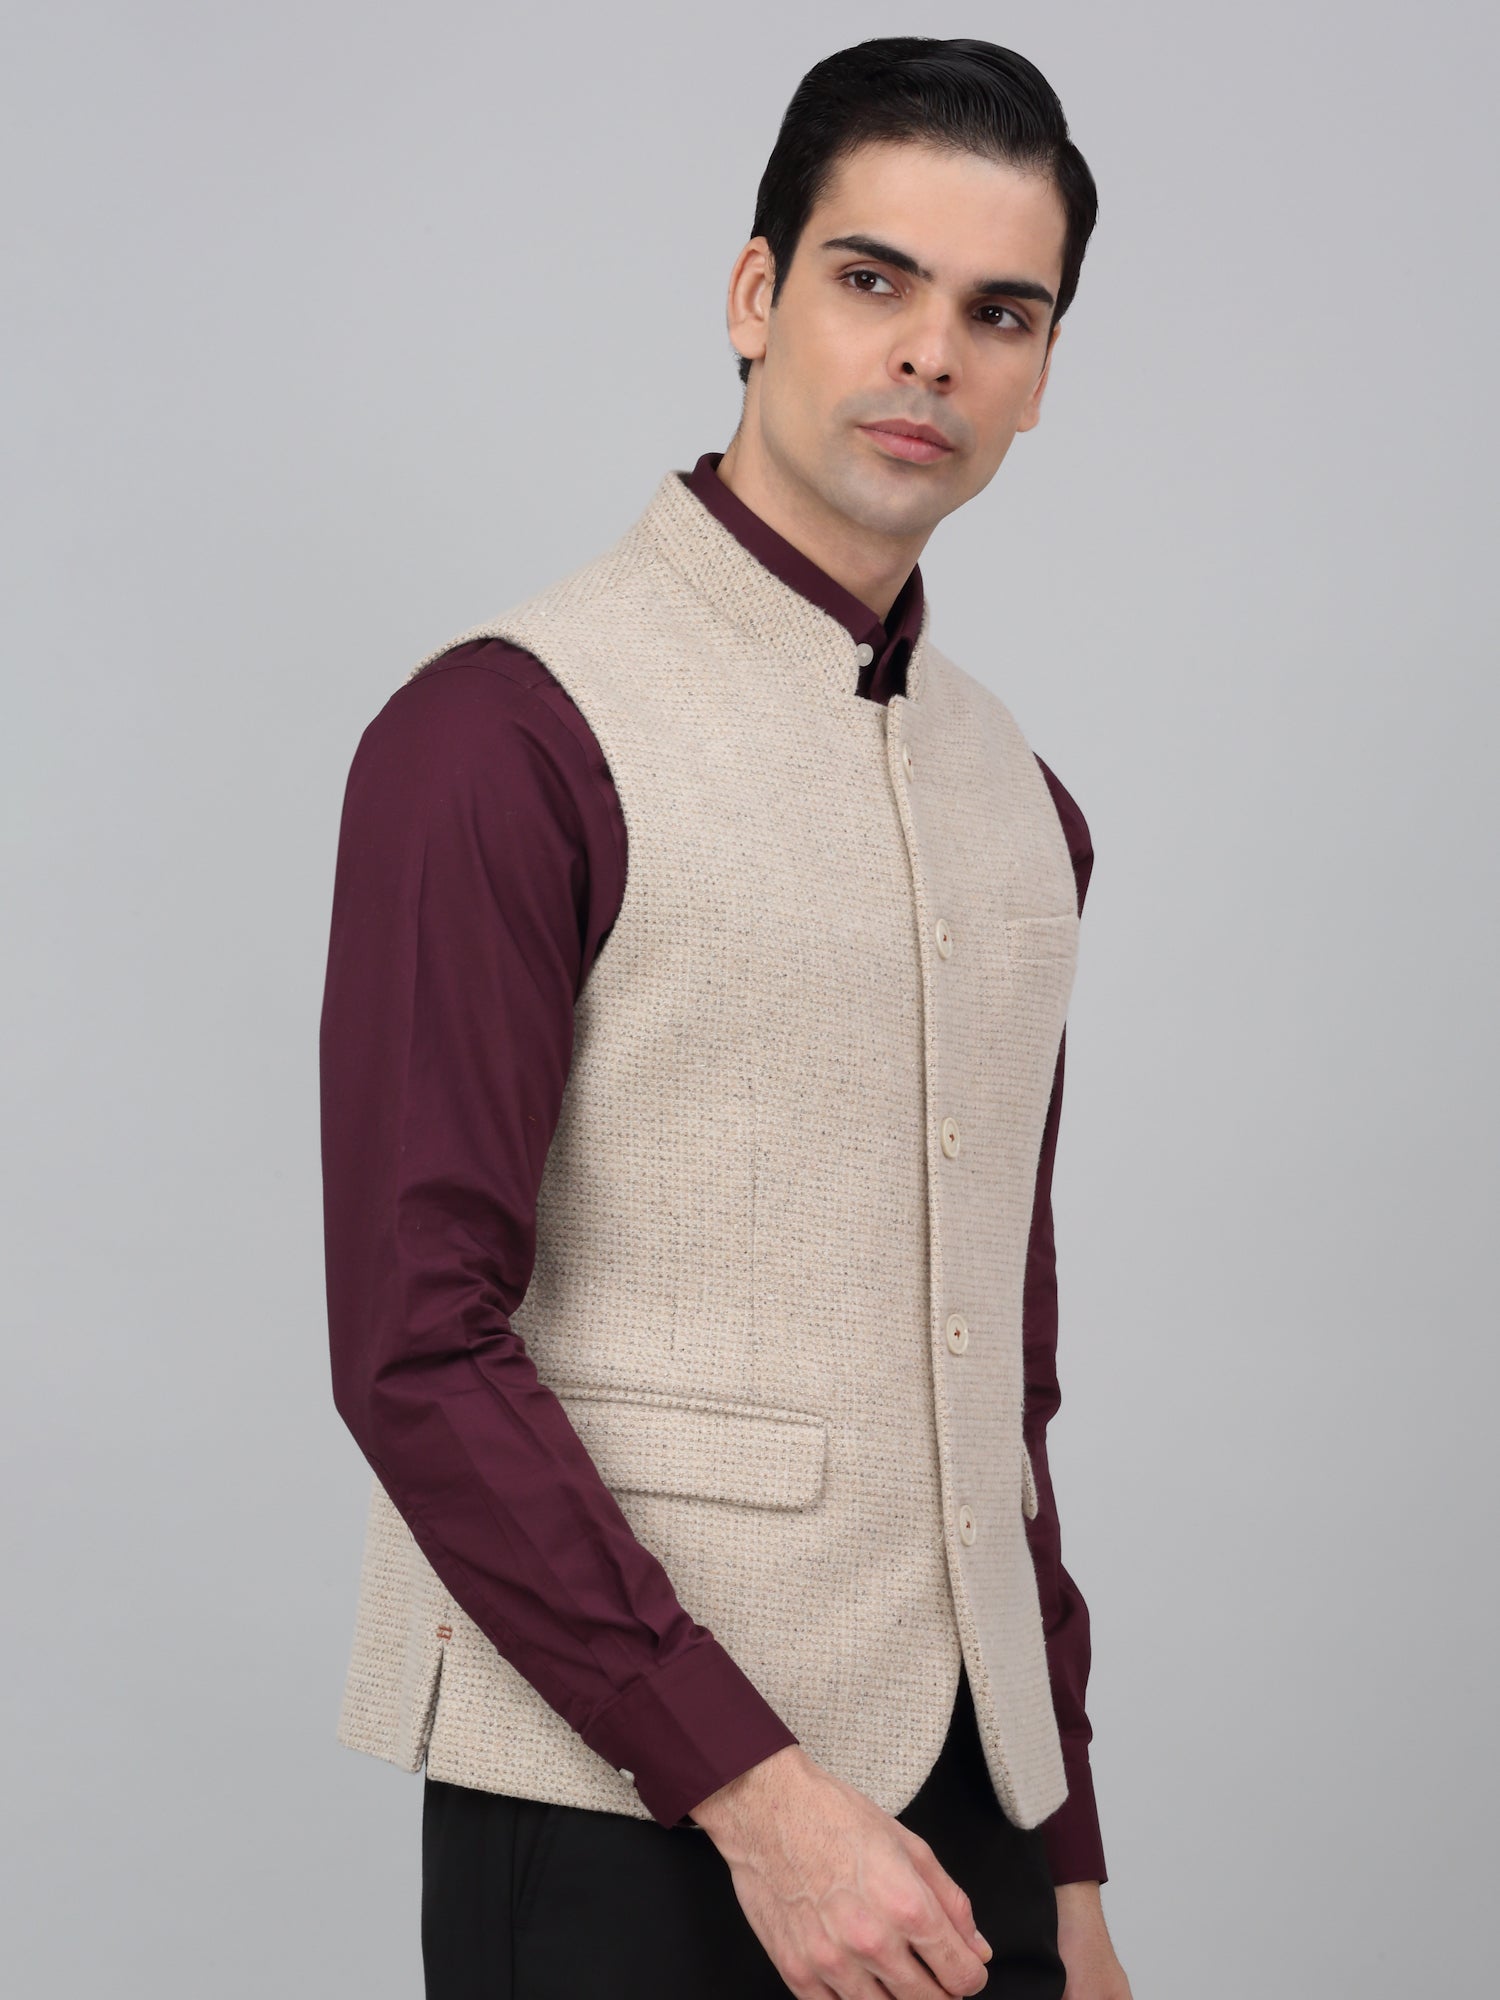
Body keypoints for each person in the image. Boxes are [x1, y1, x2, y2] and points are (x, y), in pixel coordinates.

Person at [321, 34, 1133, 2000]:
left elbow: (998, 1379)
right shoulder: (504, 734)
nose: (931, 353)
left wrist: (1072, 1861)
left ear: (1040, 375)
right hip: (620, 1806)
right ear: (757, 294)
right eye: (873, 278)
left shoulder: (1025, 805)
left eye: (999, 312)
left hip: (976, 1805)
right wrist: (756, 1794)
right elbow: (415, 1345)